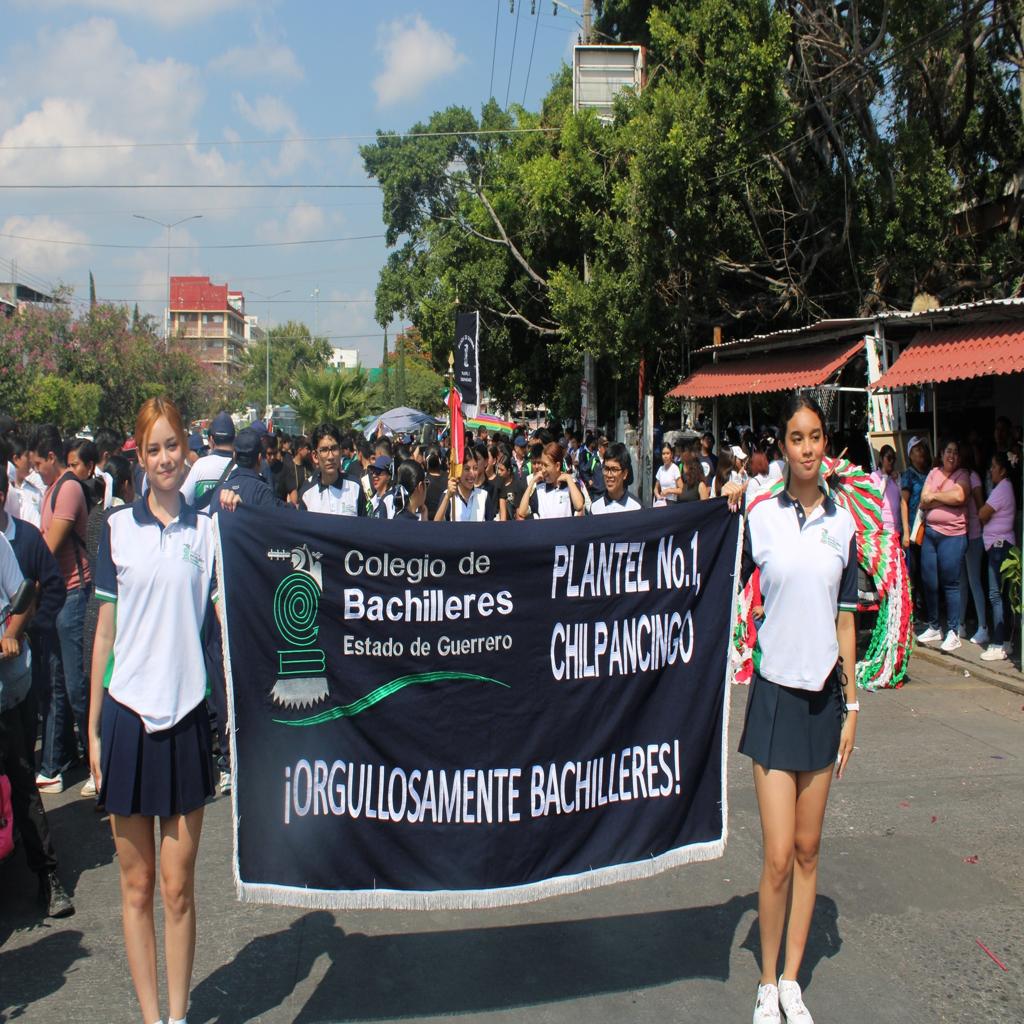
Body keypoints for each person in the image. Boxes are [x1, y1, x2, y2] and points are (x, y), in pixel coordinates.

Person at [89, 397, 218, 1024]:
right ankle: (150, 1018)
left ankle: (179, 1014)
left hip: (188, 716)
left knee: (178, 887)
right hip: (126, 719)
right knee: (136, 887)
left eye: (173, 446)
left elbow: (227, 613)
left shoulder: (210, 529)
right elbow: (105, 634)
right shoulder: (114, 529)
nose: (165, 458)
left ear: (186, 450)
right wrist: (91, 728)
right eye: (154, 448)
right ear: (138, 457)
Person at [735, 394, 858, 1024]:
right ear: (781, 447)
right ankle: (764, 981)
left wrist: (854, 703)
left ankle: (791, 980)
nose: (806, 447)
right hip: (775, 698)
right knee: (778, 853)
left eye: (814, 437)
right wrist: (726, 499)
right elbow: (711, 578)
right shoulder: (760, 518)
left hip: (824, 703)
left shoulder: (845, 524)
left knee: (810, 850)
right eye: (795, 437)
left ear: (825, 444)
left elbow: (844, 616)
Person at [0, 444, 73, 918]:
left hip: (10, 690)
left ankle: (48, 878)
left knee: (23, 782)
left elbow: (32, 595)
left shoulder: (16, 543)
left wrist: (15, 634)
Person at [30, 424, 93, 795]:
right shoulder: (52, 489)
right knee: (56, 685)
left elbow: (48, 549)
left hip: (72, 598)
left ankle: (96, 760)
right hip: (58, 600)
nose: (35, 468)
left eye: (38, 462)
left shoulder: (67, 489)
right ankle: (63, 758)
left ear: (50, 458)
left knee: (77, 687)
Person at [916, 438, 969, 652]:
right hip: (930, 535)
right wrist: (940, 499)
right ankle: (934, 626)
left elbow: (959, 496)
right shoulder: (933, 472)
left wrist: (935, 497)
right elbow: (922, 500)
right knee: (929, 581)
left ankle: (953, 631)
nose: (951, 455)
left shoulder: (963, 475)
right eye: (949, 451)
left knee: (950, 582)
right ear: (942, 453)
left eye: (955, 452)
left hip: (953, 535)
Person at [978, 453, 1016, 661]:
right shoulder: (1005, 487)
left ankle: (999, 643)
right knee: (1004, 596)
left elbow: (983, 513)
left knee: (996, 595)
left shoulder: (1001, 489)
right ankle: (1006, 642)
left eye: (993, 467)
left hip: (999, 547)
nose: (991, 470)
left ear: (1002, 470)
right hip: (1001, 545)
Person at [299, 424, 366, 516]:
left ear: (341, 452)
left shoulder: (355, 487)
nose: (330, 456)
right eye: (324, 450)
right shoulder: (307, 493)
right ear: (315, 456)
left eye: (334, 449)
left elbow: (363, 527)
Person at [958, 446, 988, 645]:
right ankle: (960, 623)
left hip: (975, 535)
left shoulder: (973, 477)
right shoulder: (960, 476)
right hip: (962, 535)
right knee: (962, 582)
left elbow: (980, 507)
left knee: (974, 581)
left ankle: (983, 626)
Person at [180, 412, 235, 510]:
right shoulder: (241, 467)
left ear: (211, 440)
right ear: (234, 439)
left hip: (203, 524)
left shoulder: (200, 465)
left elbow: (184, 500)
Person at [900, 436, 930, 610]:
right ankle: (914, 608)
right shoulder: (908, 475)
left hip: (928, 528)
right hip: (913, 528)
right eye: (917, 449)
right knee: (915, 569)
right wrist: (905, 530)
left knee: (927, 569)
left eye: (922, 448)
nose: (921, 452)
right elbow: (904, 501)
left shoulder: (929, 474)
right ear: (910, 454)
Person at [517, 442, 585, 519]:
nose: (542, 470)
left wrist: (569, 479)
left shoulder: (571, 485)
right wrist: (532, 483)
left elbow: (579, 505)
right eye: (541, 464)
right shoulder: (540, 489)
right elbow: (522, 512)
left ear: (557, 466)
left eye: (546, 465)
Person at [434, 448, 503, 522]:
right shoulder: (448, 496)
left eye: (475, 468)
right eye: (467, 469)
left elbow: (491, 528)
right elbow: (437, 526)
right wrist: (447, 497)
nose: (472, 474)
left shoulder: (484, 496)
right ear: (458, 470)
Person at [590, 443, 641, 514]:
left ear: (625, 474)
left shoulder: (636, 507)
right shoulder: (595, 507)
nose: (609, 475)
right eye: (606, 469)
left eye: (614, 470)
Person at [7, 435, 45, 528]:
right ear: (16, 459)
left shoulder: (35, 491)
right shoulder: (7, 492)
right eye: (27, 457)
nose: (31, 462)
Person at [870, 445, 902, 542]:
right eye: (888, 458)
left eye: (893, 459)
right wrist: (884, 478)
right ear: (881, 458)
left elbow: (903, 498)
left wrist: (898, 481)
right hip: (884, 530)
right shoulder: (874, 476)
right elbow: (876, 498)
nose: (891, 461)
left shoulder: (895, 478)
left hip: (898, 529)